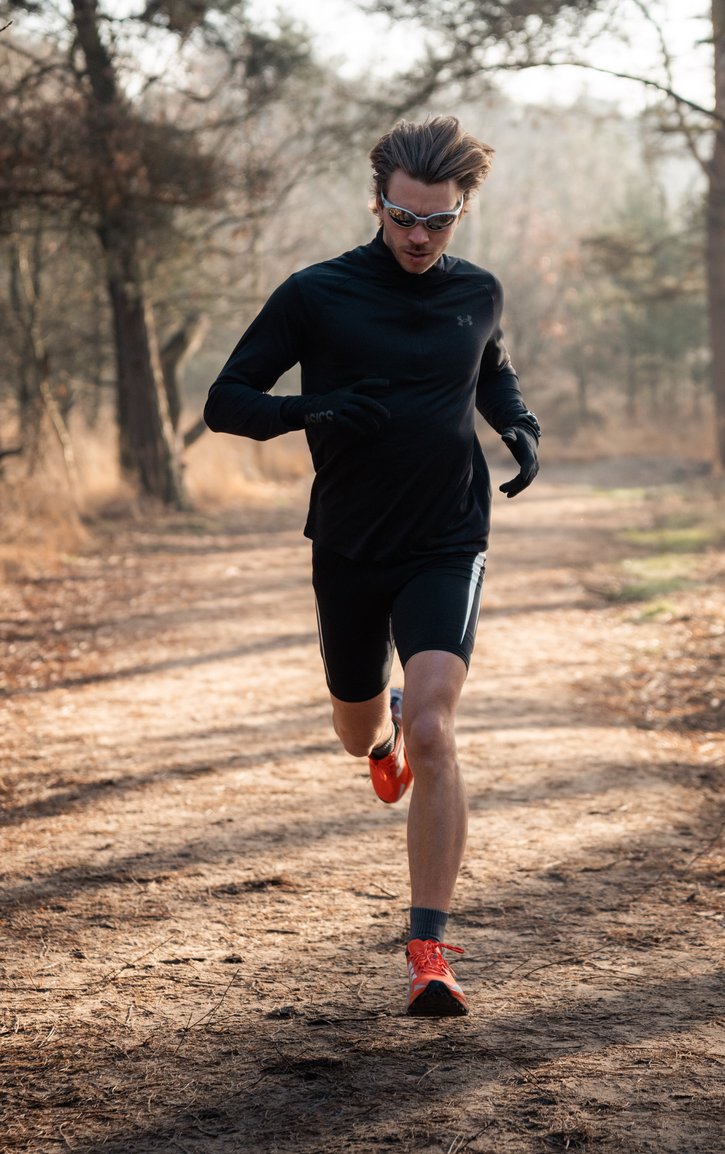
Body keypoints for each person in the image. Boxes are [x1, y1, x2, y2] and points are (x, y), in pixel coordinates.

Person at [204, 115, 540, 1017]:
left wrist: (517, 422)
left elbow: (489, 370)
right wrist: (314, 410)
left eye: (438, 220)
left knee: (438, 729)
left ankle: (429, 950)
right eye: (403, 218)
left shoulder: (480, 291)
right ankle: (378, 733)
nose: (420, 237)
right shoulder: (317, 294)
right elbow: (225, 402)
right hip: (350, 544)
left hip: (447, 539)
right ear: (378, 202)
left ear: (460, 209)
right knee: (366, 731)